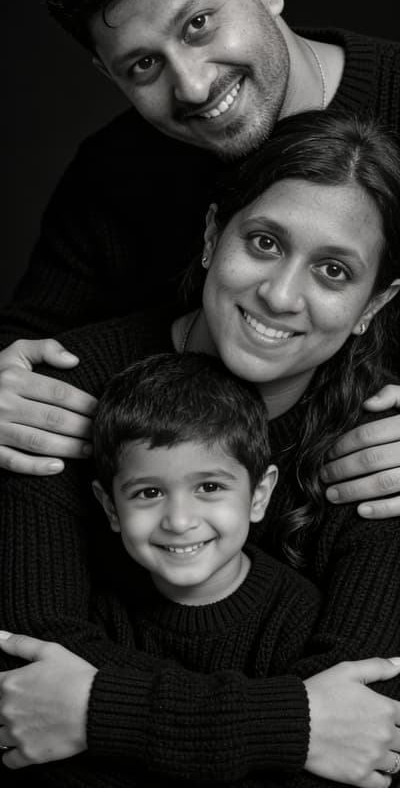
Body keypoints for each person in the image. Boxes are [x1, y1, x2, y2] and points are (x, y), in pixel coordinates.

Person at [1, 110, 400, 788]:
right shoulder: (60, 394)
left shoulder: (381, 447)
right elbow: (24, 691)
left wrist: (97, 709)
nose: (279, 295)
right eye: (265, 242)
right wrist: (291, 724)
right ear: (214, 234)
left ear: (372, 304)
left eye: (334, 271)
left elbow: (370, 732)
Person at [0, 0, 400, 522]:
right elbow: (26, 345)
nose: (190, 85)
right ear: (110, 75)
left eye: (198, 25)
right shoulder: (116, 172)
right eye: (143, 64)